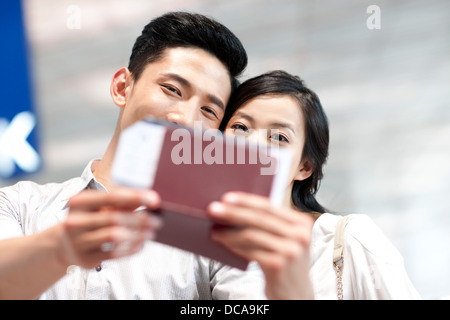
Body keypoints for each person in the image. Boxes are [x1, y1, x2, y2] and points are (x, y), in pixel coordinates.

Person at [0, 11, 267, 300]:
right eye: (172, 89)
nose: (186, 120)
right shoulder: (19, 204)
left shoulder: (224, 238)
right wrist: (59, 249)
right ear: (122, 87)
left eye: (209, 111)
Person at [207, 70, 421, 299]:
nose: (252, 145)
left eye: (279, 137)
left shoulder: (352, 239)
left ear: (304, 167)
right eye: (240, 127)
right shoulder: (205, 240)